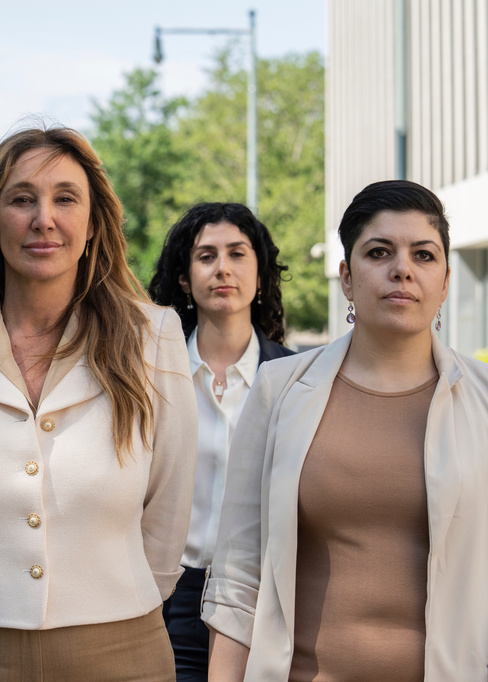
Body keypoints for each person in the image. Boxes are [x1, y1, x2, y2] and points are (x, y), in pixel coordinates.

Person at [0, 125, 197, 681]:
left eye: (65, 199)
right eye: (22, 199)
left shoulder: (155, 337)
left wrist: (116, 604)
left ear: (93, 223)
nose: (43, 218)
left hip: (123, 649)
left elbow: (169, 505)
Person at [203, 180, 488, 680]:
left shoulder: (483, 399)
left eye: (424, 255)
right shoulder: (279, 388)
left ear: (445, 282)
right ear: (347, 279)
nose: (402, 268)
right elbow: (236, 578)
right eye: (379, 252)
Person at [146, 203, 293, 681]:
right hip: (162, 594)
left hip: (259, 599)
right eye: (206, 256)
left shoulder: (296, 381)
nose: (223, 268)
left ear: (259, 271)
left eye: (237, 253)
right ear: (185, 279)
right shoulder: (148, 373)